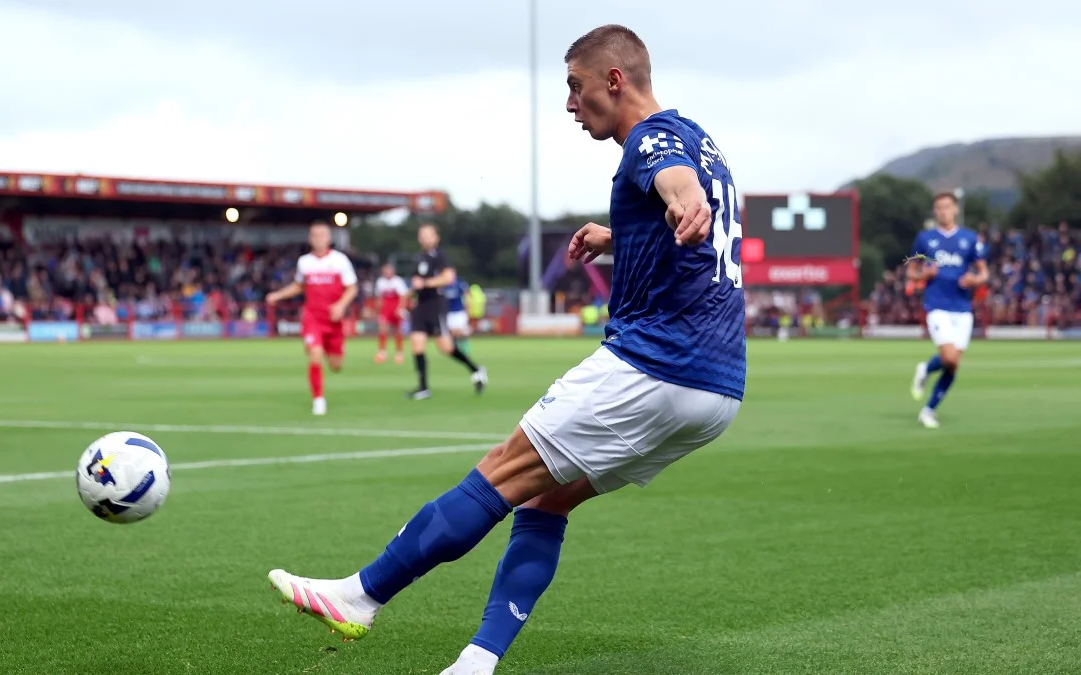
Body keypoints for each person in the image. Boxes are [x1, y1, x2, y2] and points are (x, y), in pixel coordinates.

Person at [266, 24, 746, 675]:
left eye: (575, 87)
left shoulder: (652, 139)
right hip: (717, 389)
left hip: (653, 366)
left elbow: (678, 186)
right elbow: (688, 204)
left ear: (614, 80)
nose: (570, 104)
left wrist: (683, 202)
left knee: (500, 473)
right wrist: (619, 235)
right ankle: (475, 662)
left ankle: (360, 595)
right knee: (548, 499)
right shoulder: (700, 138)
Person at [908, 192, 989, 429]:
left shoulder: (969, 238)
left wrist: (974, 279)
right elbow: (911, 272)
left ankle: (928, 409)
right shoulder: (925, 239)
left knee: (952, 365)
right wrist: (925, 274)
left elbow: (984, 273)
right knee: (949, 357)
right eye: (939, 208)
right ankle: (927, 371)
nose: (943, 211)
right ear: (935, 212)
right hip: (937, 306)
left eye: (947, 207)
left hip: (963, 308)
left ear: (955, 209)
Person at [266, 222, 358, 416]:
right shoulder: (305, 262)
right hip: (312, 317)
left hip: (333, 320)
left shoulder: (340, 260)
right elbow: (299, 286)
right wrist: (278, 295)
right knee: (315, 354)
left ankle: (328, 351)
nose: (318, 239)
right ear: (310, 239)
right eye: (315, 235)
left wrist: (341, 305)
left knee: (336, 365)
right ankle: (318, 399)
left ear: (329, 238)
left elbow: (352, 288)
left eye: (322, 235)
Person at [405, 224, 486, 399]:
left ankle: (476, 369)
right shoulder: (419, 258)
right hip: (420, 305)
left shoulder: (440, 256)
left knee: (446, 347)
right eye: (422, 235)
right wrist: (410, 294)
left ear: (436, 237)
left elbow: (448, 278)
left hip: (435, 305)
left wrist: (425, 283)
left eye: (428, 235)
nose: (424, 238)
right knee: (417, 343)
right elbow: (416, 282)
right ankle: (423, 387)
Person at [373, 263, 409, 364]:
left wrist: (400, 308)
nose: (388, 273)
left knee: (398, 330)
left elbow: (403, 296)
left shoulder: (398, 281)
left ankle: (399, 352)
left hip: (396, 307)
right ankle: (382, 352)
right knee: (382, 329)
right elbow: (379, 297)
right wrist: (378, 309)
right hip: (385, 308)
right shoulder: (380, 282)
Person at [443, 276, 473, 355]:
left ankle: (465, 349)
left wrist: (468, 308)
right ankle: (455, 350)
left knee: (461, 331)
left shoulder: (460, 283)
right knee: (452, 332)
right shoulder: (443, 285)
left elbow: (467, 294)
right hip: (449, 312)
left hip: (459, 311)